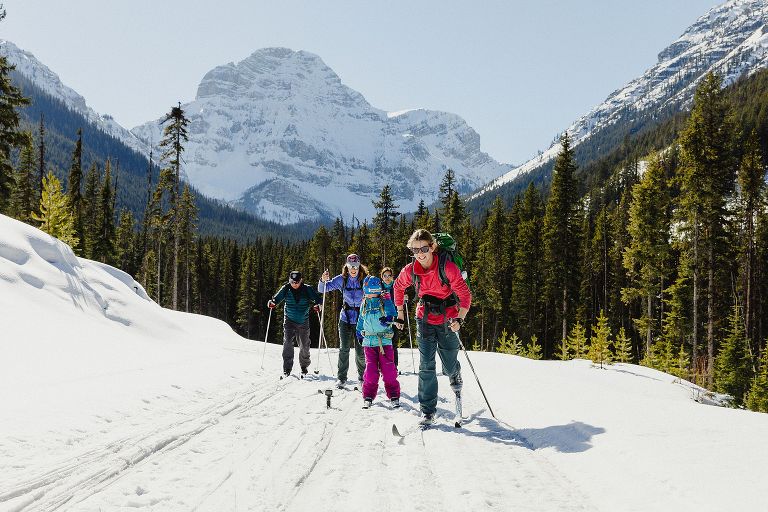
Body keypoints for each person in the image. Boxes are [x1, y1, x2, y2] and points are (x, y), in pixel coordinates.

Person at [393, 229, 471, 425]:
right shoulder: (411, 270)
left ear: (433, 247)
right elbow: (398, 286)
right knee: (426, 366)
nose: (420, 253)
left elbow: (465, 295)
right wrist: (400, 313)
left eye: (424, 248)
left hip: (448, 318)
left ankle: (455, 375)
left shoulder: (447, 267)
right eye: (415, 249)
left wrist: (459, 319)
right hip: (424, 318)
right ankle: (428, 411)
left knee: (448, 366)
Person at [319, 254, 369, 388]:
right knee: (344, 349)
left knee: (360, 351)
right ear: (346, 266)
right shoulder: (342, 279)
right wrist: (322, 280)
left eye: (356, 266)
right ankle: (341, 378)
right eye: (351, 266)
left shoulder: (365, 280)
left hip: (361, 320)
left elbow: (376, 290)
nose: (353, 269)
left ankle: (362, 378)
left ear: (359, 266)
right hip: (345, 318)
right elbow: (322, 289)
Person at [356, 275, 401, 409]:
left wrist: (388, 318)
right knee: (370, 371)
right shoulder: (364, 303)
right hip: (369, 342)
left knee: (389, 370)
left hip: (385, 341)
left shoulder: (384, 300)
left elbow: (392, 313)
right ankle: (368, 396)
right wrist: (359, 332)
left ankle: (393, 395)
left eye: (373, 293)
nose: (371, 295)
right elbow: (361, 320)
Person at [269, 270, 323, 378]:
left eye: (297, 282)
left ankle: (304, 366)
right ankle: (287, 368)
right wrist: (272, 302)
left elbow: (318, 299)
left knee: (304, 344)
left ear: (301, 281)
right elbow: (276, 298)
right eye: (293, 282)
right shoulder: (286, 288)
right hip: (289, 320)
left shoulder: (307, 289)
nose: (295, 284)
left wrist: (318, 305)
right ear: (290, 280)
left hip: (303, 321)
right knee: (288, 342)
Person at [380, 267, 400, 370]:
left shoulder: (396, 287)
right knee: (383, 342)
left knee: (393, 343)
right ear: (382, 277)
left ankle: (394, 366)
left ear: (392, 277)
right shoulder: (379, 288)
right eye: (385, 276)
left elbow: (401, 298)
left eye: (389, 276)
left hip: (395, 317)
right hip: (383, 318)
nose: (387, 278)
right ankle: (382, 365)